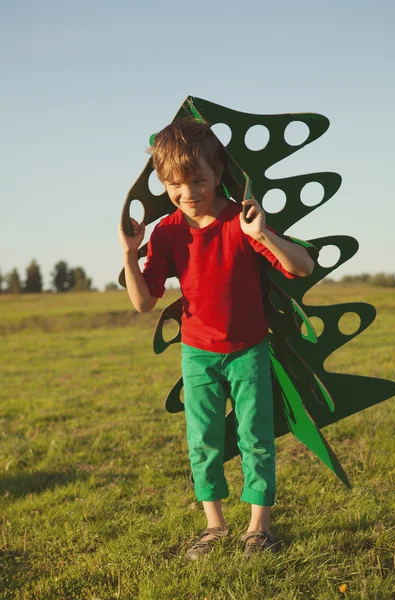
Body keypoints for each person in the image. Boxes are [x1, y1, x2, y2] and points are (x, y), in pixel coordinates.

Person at [118, 119, 314, 560]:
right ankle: (214, 526)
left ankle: (258, 529)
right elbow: (143, 302)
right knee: (203, 439)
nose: (188, 193)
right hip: (198, 353)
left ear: (220, 171)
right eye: (174, 185)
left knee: (256, 437)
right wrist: (131, 254)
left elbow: (301, 267)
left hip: (249, 349)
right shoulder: (167, 231)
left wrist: (261, 234)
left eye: (199, 180)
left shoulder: (240, 220)